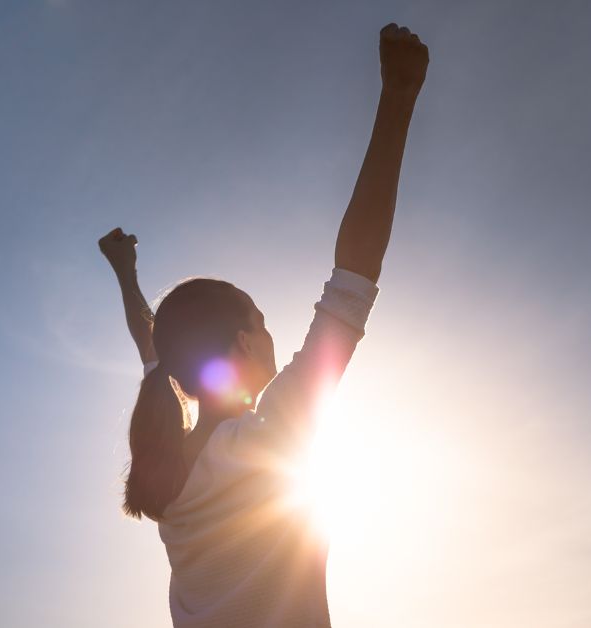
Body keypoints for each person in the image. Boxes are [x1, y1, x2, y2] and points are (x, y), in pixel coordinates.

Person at [98, 22, 428, 628]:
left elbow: (150, 347)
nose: (274, 337)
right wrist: (397, 102)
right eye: (264, 322)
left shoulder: (170, 479)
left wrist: (125, 273)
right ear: (245, 341)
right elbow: (353, 276)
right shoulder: (269, 438)